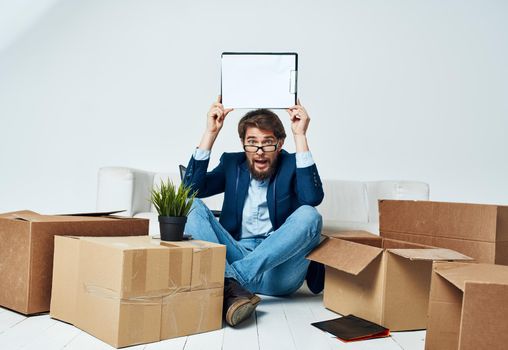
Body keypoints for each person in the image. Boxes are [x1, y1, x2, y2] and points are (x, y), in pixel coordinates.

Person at [183, 96, 324, 327]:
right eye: (252, 142)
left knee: (310, 214)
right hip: (238, 253)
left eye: (267, 142)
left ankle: (230, 282)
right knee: (190, 205)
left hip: (278, 269)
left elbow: (312, 198)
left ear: (279, 144)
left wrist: (300, 136)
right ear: (243, 144)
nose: (259, 151)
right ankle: (233, 286)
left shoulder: (291, 163)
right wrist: (211, 133)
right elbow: (190, 190)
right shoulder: (231, 163)